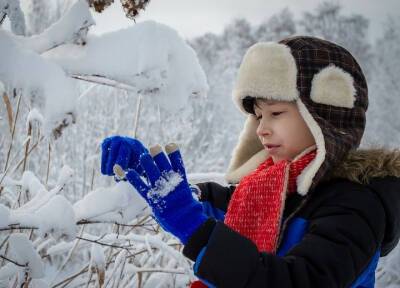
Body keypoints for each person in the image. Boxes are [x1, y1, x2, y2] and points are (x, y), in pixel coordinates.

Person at [100, 36, 400, 288]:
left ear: (323, 116)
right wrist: (153, 176)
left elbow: (294, 281)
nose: (261, 129)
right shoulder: (272, 189)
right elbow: (212, 202)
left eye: (276, 113)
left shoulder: (357, 206)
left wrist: (196, 230)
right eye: (258, 116)